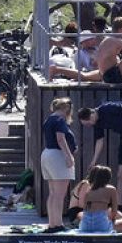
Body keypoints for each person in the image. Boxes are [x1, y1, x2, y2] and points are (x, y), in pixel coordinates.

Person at [79, 102, 122, 213]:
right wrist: (93, 161)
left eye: (88, 123)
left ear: (92, 115)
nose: (89, 125)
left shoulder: (107, 108)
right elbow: (100, 141)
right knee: (121, 174)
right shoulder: (97, 123)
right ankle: (119, 207)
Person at [41, 98, 76, 234]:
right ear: (66, 108)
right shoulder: (60, 120)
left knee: (53, 193)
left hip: (47, 154)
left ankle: (52, 223)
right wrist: (69, 156)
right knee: (59, 194)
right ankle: (58, 224)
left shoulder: (49, 119)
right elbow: (60, 139)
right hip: (57, 155)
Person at [77, 165, 122, 234]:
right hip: (101, 224)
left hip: (84, 225)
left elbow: (82, 206)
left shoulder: (87, 189)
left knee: (82, 214)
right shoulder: (111, 189)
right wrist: (112, 222)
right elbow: (114, 212)